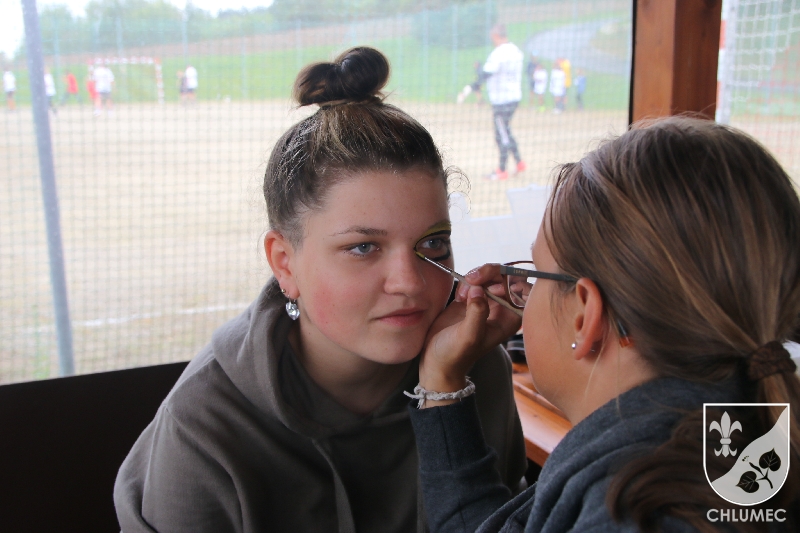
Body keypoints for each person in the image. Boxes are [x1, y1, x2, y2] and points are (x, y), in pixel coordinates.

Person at [114, 47, 527, 533]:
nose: (410, 282)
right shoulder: (204, 429)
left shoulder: (472, 371)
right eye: (363, 247)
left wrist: (446, 389)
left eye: (433, 243)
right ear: (284, 263)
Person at [408, 116, 800, 532]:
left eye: (538, 275)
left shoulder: (639, 509)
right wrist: (442, 382)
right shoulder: (732, 435)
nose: (522, 293)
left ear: (584, 315)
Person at [480, 24, 525, 181]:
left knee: (501, 135)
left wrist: (475, 84)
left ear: (495, 36)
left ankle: (502, 169)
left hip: (501, 101)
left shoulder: (498, 53)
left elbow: (487, 73)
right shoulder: (516, 51)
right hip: (514, 98)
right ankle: (519, 162)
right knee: (506, 130)